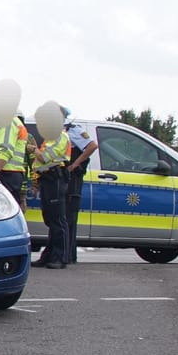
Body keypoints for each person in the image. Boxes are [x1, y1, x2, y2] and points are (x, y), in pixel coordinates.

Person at [32, 125, 72, 269]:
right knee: (51, 220)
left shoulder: (59, 135)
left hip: (55, 179)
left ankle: (60, 257)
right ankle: (49, 255)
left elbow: (44, 158)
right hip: (48, 179)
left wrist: (33, 150)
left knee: (57, 220)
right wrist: (36, 181)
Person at [62, 107, 97, 264]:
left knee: (68, 218)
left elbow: (92, 146)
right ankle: (64, 254)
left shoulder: (72, 129)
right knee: (62, 217)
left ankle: (67, 255)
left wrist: (75, 164)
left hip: (71, 180)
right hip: (61, 179)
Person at [0, 112, 29, 207]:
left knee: (0, 210)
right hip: (10, 173)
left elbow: (5, 150)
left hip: (4, 173)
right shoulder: (15, 123)